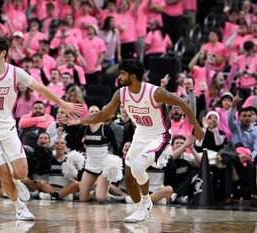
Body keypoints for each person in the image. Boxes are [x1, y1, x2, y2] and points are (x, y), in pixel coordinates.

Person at [0, 36, 82, 221]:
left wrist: (62, 103)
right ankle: (20, 208)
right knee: (2, 174)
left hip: (7, 129)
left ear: (3, 53)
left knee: (22, 172)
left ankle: (16, 179)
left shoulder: (15, 73)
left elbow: (40, 88)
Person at [64, 59, 204, 222]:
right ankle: (140, 209)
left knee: (138, 168)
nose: (119, 76)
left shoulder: (155, 92)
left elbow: (181, 102)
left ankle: (145, 203)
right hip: (140, 135)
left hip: (159, 136)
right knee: (129, 179)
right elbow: (104, 115)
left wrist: (197, 127)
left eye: (122, 73)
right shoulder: (121, 93)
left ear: (133, 76)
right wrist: (80, 120)